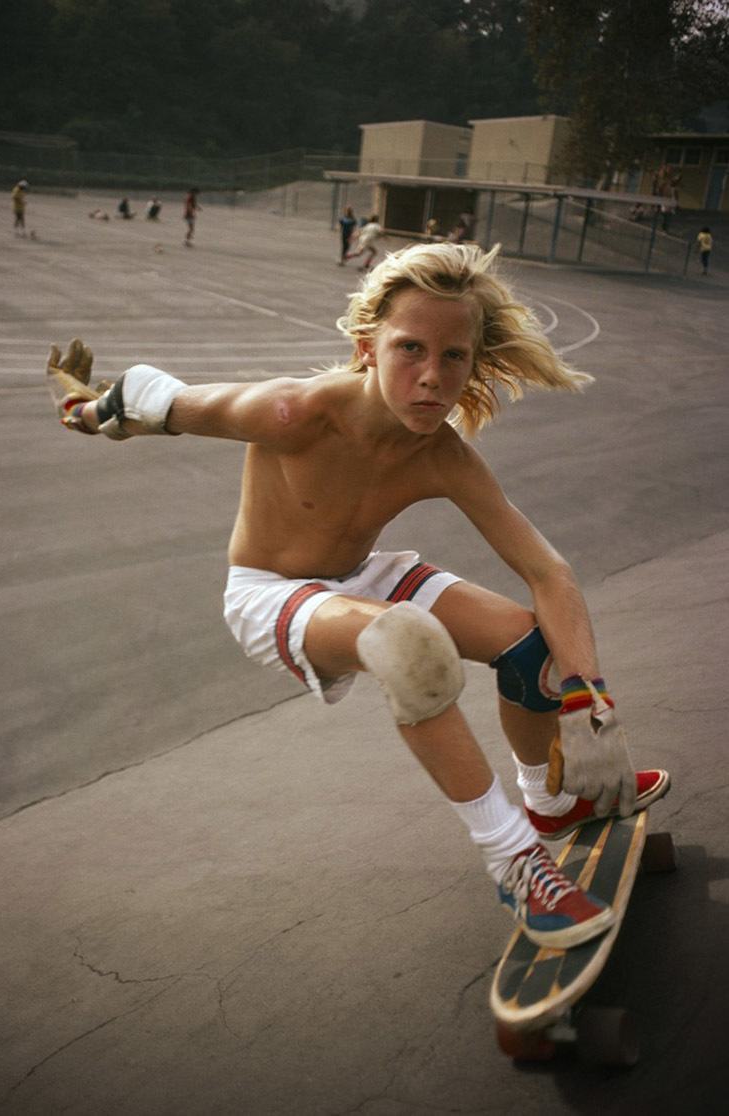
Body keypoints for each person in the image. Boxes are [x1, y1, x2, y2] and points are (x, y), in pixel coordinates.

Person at [46, 242, 670, 950]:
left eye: (453, 356)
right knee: (408, 645)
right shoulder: (291, 413)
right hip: (269, 592)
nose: (432, 379)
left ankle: (551, 800)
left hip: (362, 574)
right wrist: (82, 408)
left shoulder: (442, 454)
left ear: (471, 359)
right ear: (367, 347)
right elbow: (153, 400)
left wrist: (590, 691)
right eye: (411, 350)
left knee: (531, 646)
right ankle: (515, 859)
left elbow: (548, 571)